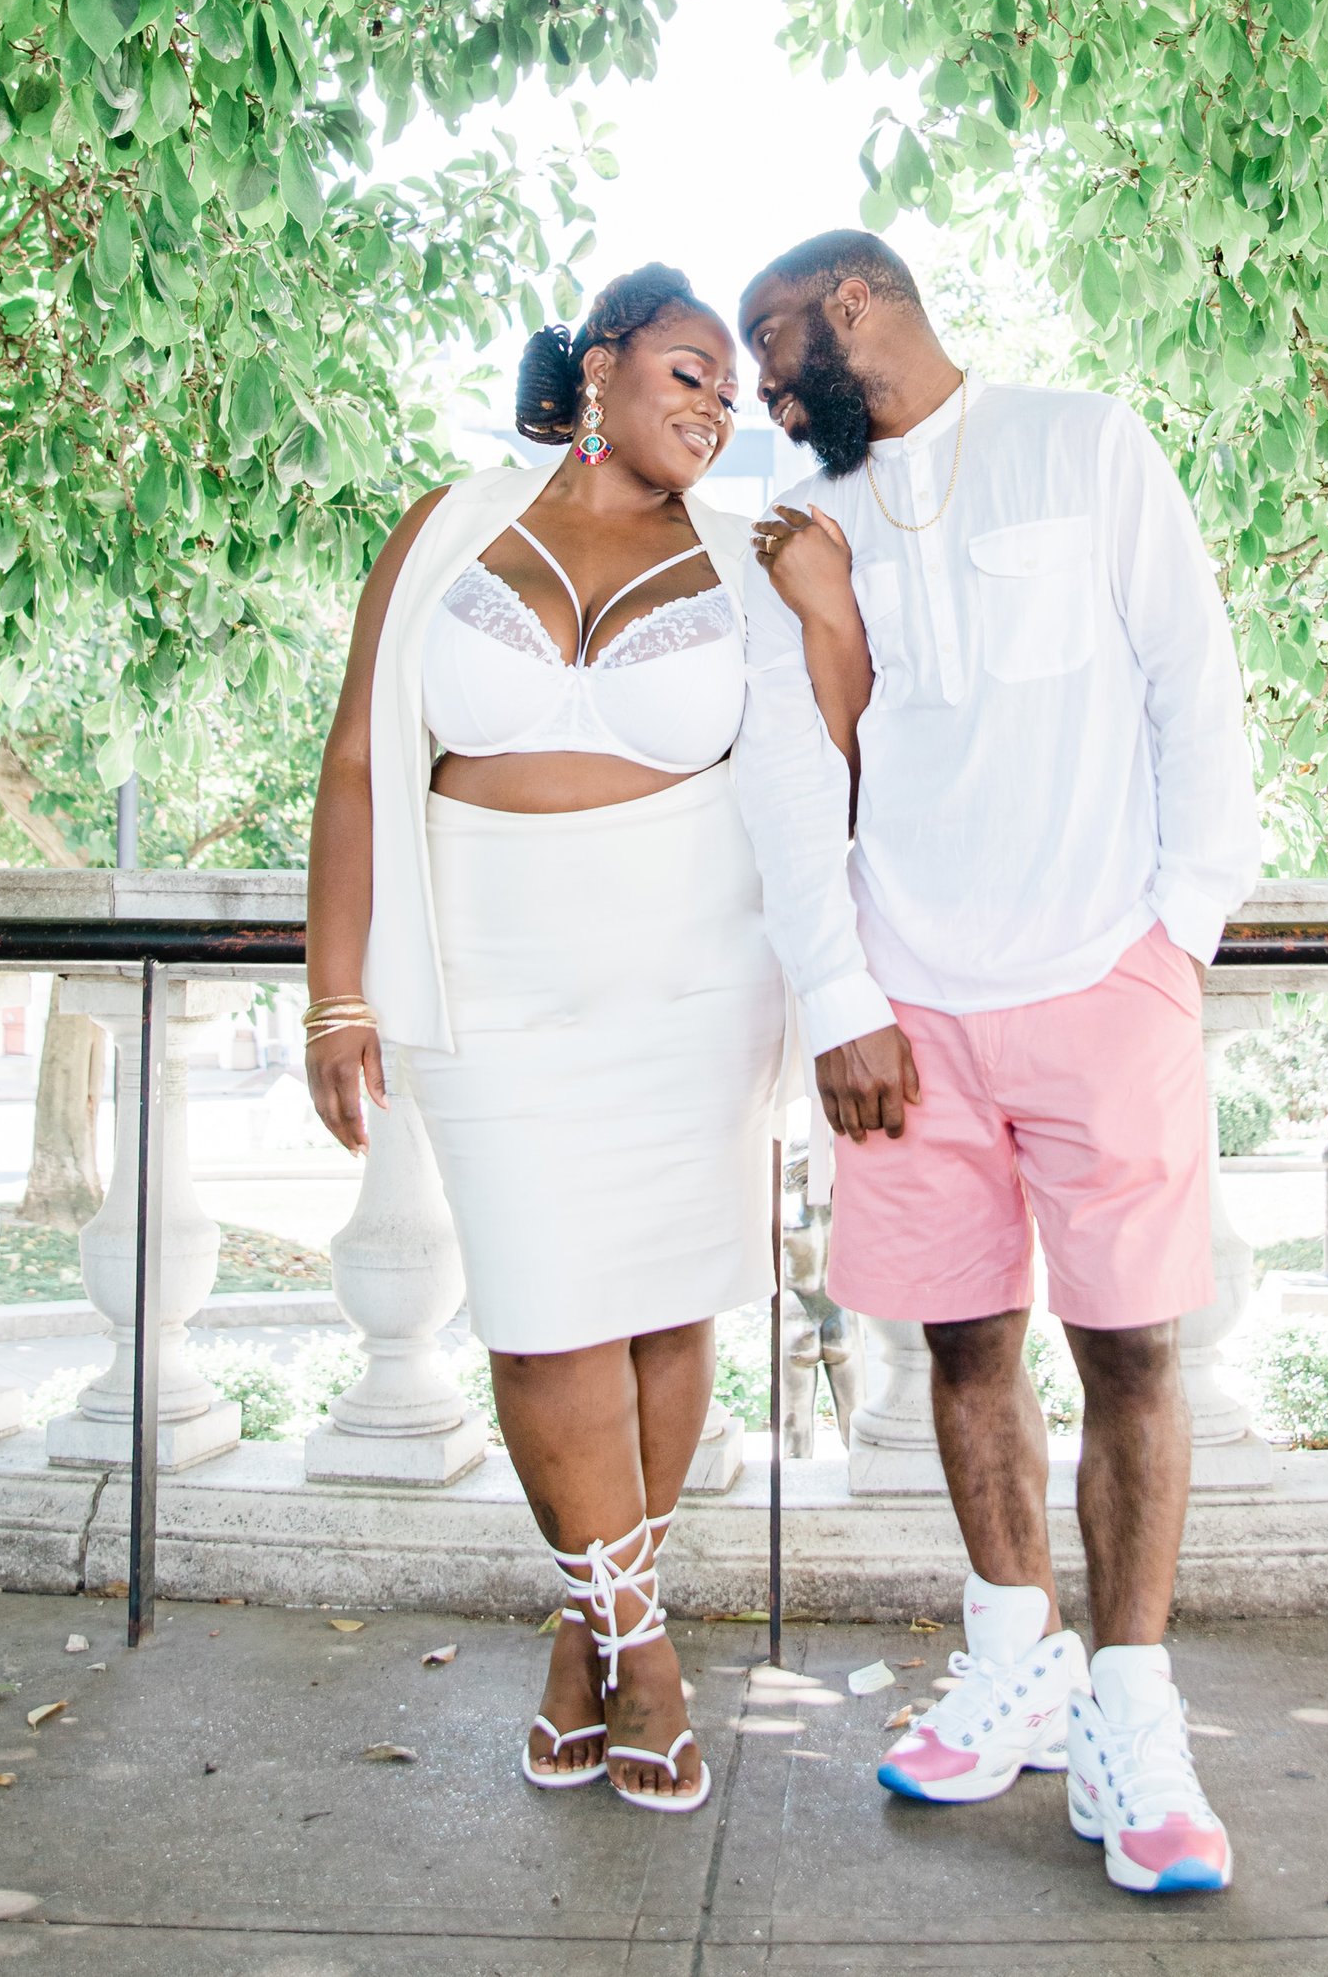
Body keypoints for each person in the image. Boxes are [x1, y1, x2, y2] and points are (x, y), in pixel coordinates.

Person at [302, 263, 889, 1813]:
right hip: (488, 969)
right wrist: (337, 986)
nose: (714, 403)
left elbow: (833, 739)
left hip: (693, 976)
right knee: (543, 1317)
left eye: (728, 389)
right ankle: (653, 1656)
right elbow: (363, 752)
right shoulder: (444, 527)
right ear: (604, 359)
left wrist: (829, 604)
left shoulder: (744, 557)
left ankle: (590, 1636)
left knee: (661, 1310)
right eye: (687, 369)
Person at [736, 231, 1262, 1898]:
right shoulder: (802, 523)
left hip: (1104, 976)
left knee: (1129, 1349)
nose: (762, 386)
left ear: (857, 303)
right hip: (909, 1010)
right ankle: (1013, 1657)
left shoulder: (1083, 443)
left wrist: (1176, 932)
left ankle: (1134, 1711)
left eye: (773, 344)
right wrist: (837, 993)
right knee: (964, 1345)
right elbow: (799, 772)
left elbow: (1197, 687)